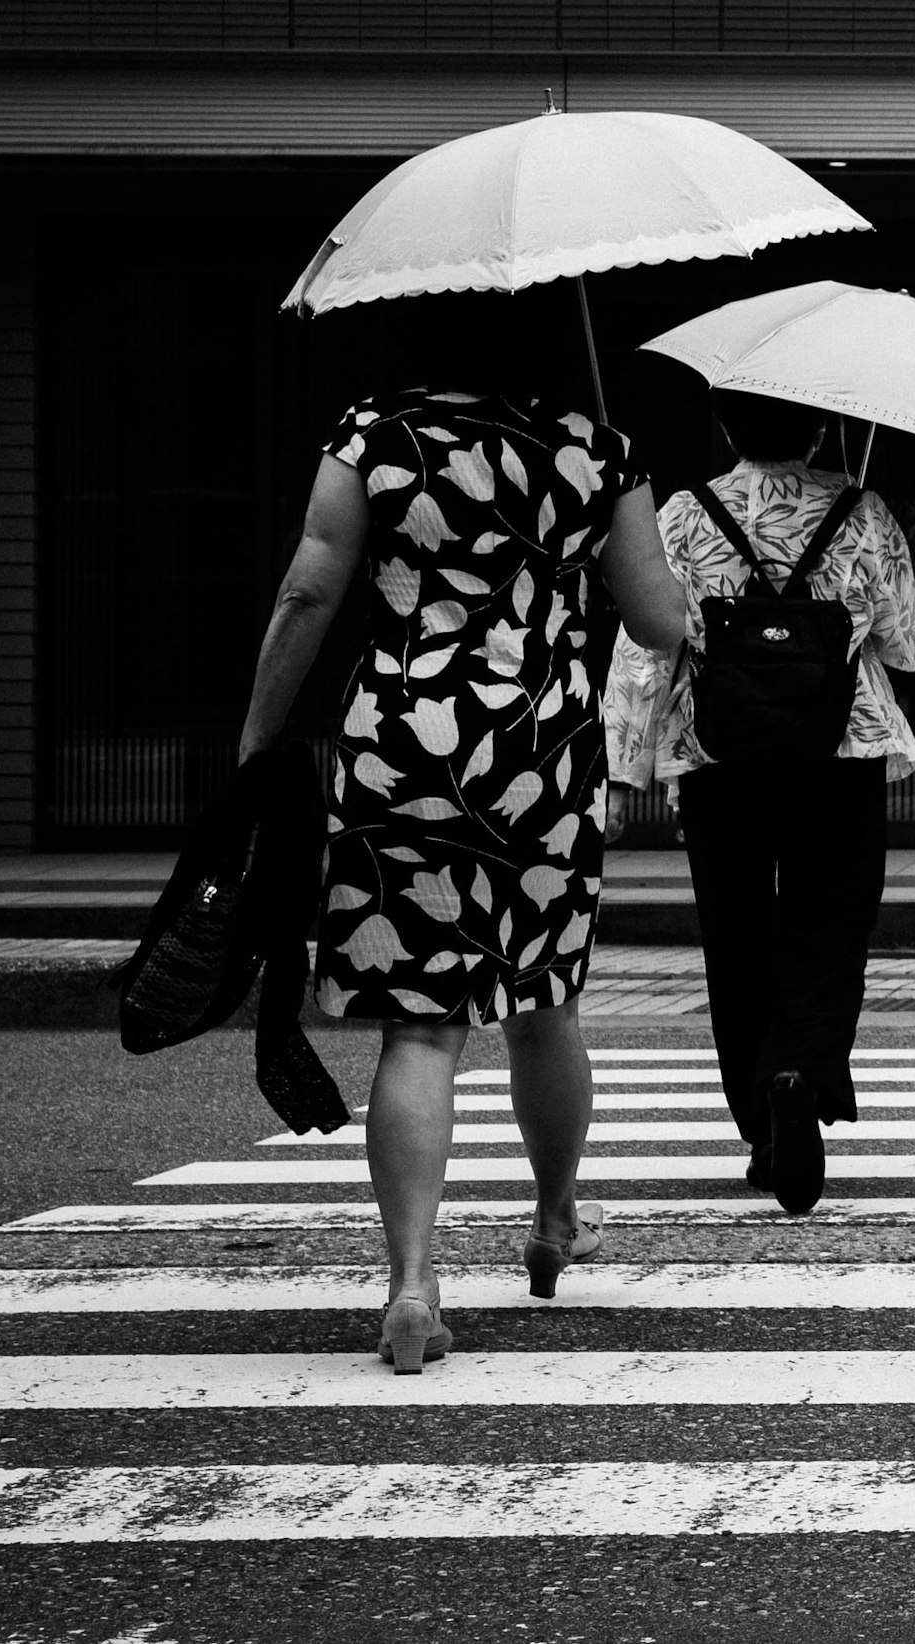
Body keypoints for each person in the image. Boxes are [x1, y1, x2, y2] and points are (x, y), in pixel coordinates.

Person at [231, 382, 695, 1374]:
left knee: (422, 1025)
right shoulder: (596, 444)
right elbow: (658, 623)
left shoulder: (372, 432)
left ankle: (410, 1282)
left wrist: (257, 737)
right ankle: (554, 1214)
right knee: (545, 1002)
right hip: (541, 751)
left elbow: (308, 592)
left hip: (402, 744)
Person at [610, 389, 915, 1217]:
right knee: (831, 928)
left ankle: (763, 1125)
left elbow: (647, 644)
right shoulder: (863, 513)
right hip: (841, 756)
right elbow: (912, 645)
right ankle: (801, 1071)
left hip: (722, 759)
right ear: (823, 426)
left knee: (738, 937)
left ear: (725, 426)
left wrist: (625, 768)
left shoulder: (684, 516)